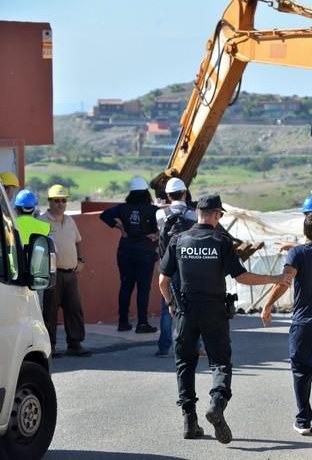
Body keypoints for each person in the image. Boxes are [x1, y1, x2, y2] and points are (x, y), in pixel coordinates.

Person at [159, 193, 291, 443]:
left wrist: (170, 304)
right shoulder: (220, 241)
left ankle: (189, 421)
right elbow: (240, 277)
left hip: (185, 311)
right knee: (220, 362)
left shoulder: (177, 240)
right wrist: (273, 279)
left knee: (185, 364)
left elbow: (163, 281)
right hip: (214, 311)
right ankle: (216, 405)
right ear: (217, 215)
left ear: (197, 212)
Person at [261, 212, 312, 443]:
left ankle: (303, 421)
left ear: (305, 232)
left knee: (302, 373)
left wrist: (267, 304)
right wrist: (294, 246)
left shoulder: (297, 254)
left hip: (302, 324)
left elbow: (286, 281)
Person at [100, 176, 159, 333]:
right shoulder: (153, 210)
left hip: (125, 251)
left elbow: (104, 215)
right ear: (146, 193)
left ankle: (123, 322)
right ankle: (142, 323)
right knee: (143, 288)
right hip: (145, 251)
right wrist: (157, 235)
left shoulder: (122, 208)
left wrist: (119, 226)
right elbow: (165, 223)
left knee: (126, 286)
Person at [39, 184, 91, 357]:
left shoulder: (70, 220)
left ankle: (75, 344)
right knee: (50, 312)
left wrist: (81, 260)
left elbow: (78, 241)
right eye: (56, 200)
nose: (61, 204)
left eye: (63, 200)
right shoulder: (41, 221)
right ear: (49, 202)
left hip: (70, 273)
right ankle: (50, 347)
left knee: (74, 308)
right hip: (52, 274)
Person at [154, 177, 196, 357]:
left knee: (167, 306)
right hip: (189, 265)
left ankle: (164, 347)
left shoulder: (160, 214)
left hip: (167, 264)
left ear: (168, 195)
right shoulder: (194, 214)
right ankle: (196, 345)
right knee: (194, 305)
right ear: (185, 193)